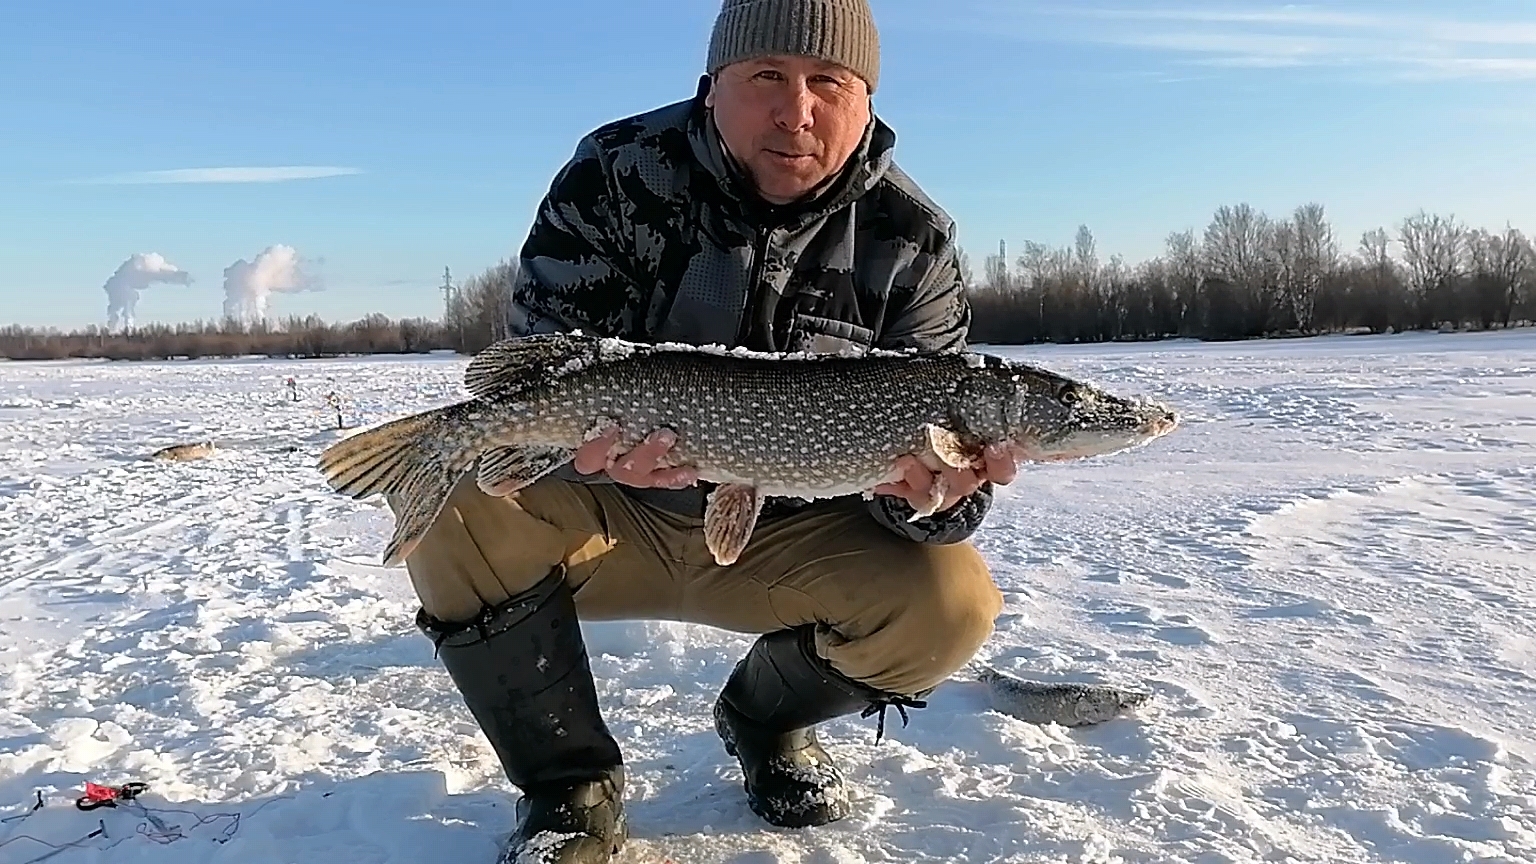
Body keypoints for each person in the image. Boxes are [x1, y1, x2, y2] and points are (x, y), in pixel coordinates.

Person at [397, 1, 1014, 861]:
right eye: (766, 77)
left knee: (949, 603)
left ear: (865, 101)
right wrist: (598, 458)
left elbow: (936, 491)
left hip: (784, 538)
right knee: (458, 501)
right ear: (712, 86)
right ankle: (568, 790)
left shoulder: (912, 240)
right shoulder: (616, 175)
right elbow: (538, 360)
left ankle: (766, 724)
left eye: (827, 82)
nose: (795, 111)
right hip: (608, 518)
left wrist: (938, 501)